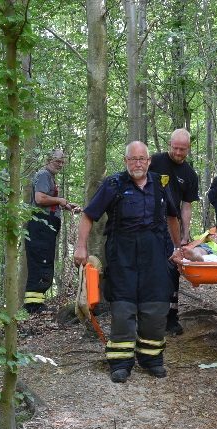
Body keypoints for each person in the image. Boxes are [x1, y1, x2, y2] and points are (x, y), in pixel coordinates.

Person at [74, 141, 181, 383]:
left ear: (149, 161)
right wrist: (80, 245)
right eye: (133, 159)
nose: (138, 163)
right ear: (125, 162)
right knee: (123, 309)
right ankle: (121, 362)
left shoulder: (160, 185)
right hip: (122, 256)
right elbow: (89, 215)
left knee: (155, 309)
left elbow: (172, 216)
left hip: (155, 256)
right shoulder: (114, 184)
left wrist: (178, 248)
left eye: (142, 158)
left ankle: (151, 358)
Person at [149, 129, 200, 336]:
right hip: (148, 223)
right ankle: (146, 317)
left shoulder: (189, 174)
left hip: (171, 227)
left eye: (183, 149)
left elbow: (186, 206)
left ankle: (171, 318)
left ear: (188, 148)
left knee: (172, 268)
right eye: (175, 148)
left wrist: (185, 233)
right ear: (169, 144)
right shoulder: (154, 161)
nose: (178, 152)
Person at [24, 149, 79, 313]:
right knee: (40, 263)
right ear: (48, 160)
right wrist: (60, 200)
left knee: (45, 262)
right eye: (58, 161)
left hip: (47, 225)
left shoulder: (50, 177)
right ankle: (33, 306)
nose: (60, 165)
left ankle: (36, 304)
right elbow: (40, 199)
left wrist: (67, 205)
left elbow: (49, 201)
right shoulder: (43, 175)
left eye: (63, 162)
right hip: (41, 226)